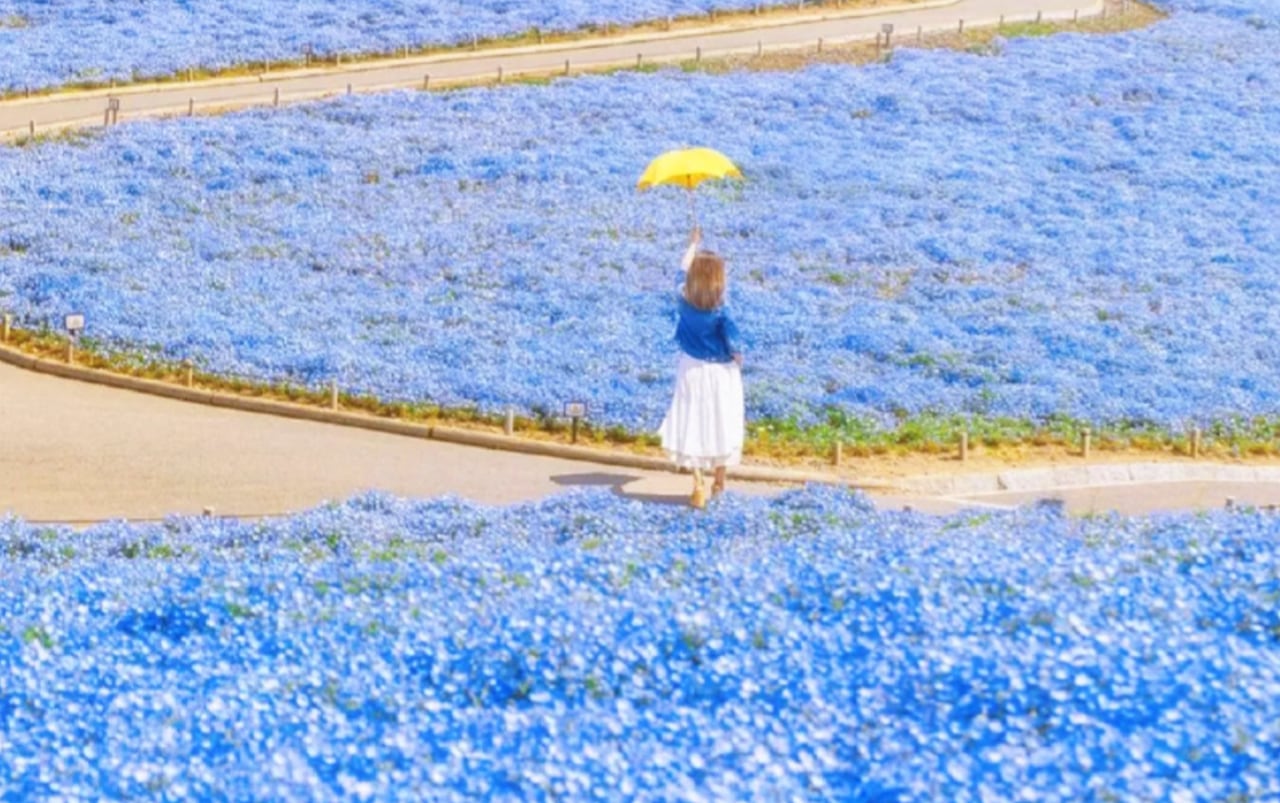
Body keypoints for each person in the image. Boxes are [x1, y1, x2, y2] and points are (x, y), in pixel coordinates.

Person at [658, 226, 745, 509]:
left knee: (693, 423)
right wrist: (737, 355)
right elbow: (734, 342)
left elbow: (679, 273)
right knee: (723, 423)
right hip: (721, 373)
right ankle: (719, 483)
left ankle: (697, 484)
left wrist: (692, 245)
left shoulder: (683, 300)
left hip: (691, 369)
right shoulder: (722, 310)